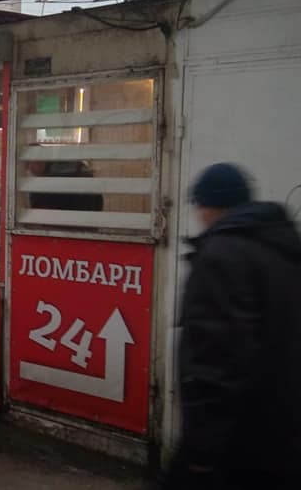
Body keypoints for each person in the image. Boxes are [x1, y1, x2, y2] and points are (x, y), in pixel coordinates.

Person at [162, 163, 301, 490]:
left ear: (210, 206)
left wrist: (200, 452)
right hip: (284, 435)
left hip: (238, 440)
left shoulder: (221, 257)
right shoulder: (285, 250)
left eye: (199, 206)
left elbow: (214, 361)